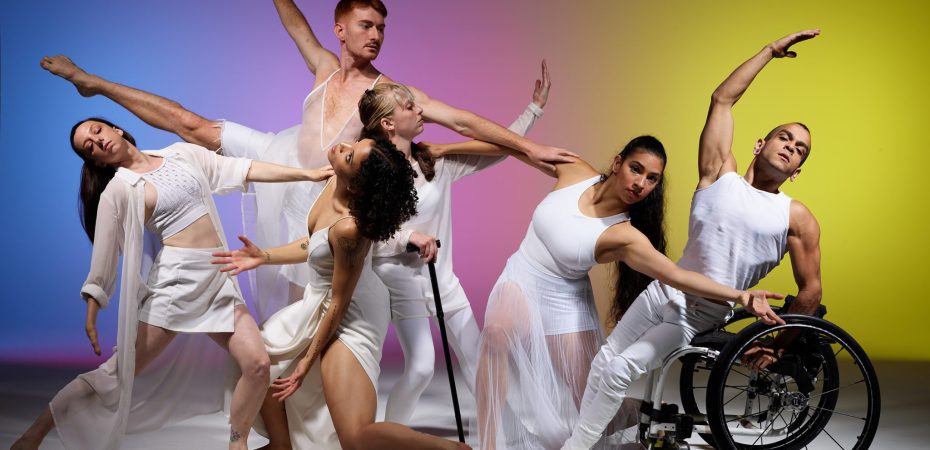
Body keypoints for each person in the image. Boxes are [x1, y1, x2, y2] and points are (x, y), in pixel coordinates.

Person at [40, 0, 574, 322]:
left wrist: (528, 147)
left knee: (309, 294)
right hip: (280, 152)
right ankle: (95, 84)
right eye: (366, 25)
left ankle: (302, 388)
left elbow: (458, 121)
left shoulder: (391, 92)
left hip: (318, 189)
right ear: (341, 29)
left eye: (382, 28)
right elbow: (292, 19)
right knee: (192, 124)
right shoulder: (323, 64)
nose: (376, 35)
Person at [561, 29, 821, 449]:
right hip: (663, 289)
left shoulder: (796, 217)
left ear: (797, 171)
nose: (791, 148)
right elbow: (722, 98)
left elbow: (811, 290)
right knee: (604, 364)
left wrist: (777, 346)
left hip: (700, 312)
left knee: (619, 370)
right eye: (784, 138)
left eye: (801, 150)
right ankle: (591, 442)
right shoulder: (720, 171)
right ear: (761, 143)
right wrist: (769, 52)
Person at [11, 118, 333, 450]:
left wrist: (308, 174)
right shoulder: (119, 190)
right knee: (117, 375)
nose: (97, 142)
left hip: (217, 280)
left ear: (116, 130)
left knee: (257, 364)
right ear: (96, 161)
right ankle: (33, 435)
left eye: (97, 132)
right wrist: (92, 309)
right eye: (88, 148)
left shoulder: (181, 154)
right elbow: (104, 259)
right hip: (175, 285)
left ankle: (237, 443)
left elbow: (244, 168)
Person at [212, 138, 468, 449]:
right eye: (353, 145)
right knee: (264, 362)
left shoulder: (351, 229)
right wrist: (265, 256)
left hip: (352, 315)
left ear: (358, 186)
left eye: (349, 157)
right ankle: (283, 445)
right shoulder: (335, 180)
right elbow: (319, 245)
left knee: (355, 437)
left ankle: (452, 448)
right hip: (320, 302)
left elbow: (339, 302)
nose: (341, 147)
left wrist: (307, 363)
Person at [357, 64, 550, 424]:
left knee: (478, 359)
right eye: (410, 107)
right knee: (420, 368)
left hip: (441, 275)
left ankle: (501, 436)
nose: (420, 110)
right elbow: (367, 231)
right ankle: (387, 439)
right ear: (387, 123)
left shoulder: (434, 161)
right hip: (398, 276)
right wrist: (408, 236)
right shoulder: (372, 169)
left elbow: (496, 150)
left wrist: (533, 110)